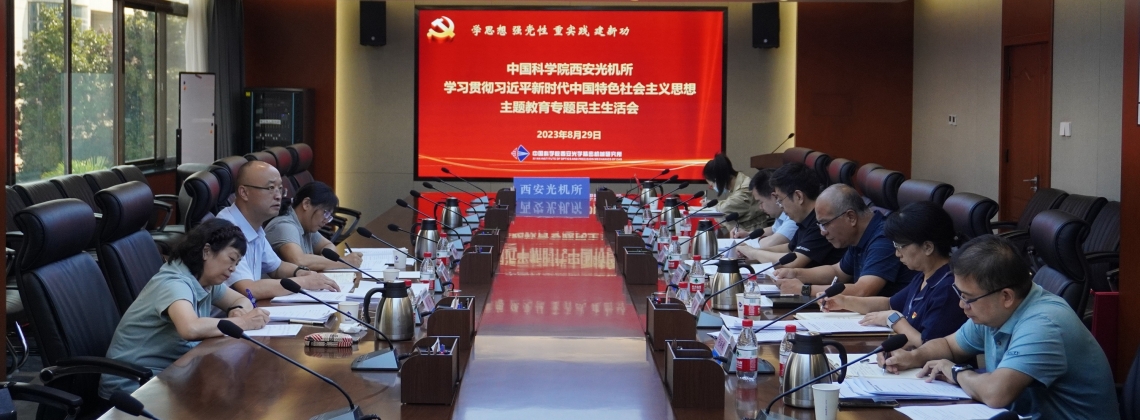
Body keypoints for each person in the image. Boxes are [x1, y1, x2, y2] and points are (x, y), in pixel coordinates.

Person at [882, 235, 1119, 419]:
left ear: (1006, 296)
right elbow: (949, 345)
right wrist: (912, 357)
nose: (962, 305)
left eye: (968, 298)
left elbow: (996, 393)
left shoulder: (1044, 324)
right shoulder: (994, 309)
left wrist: (956, 372)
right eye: (959, 294)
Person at [99, 219, 271, 397]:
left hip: (171, 373)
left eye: (237, 263)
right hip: (133, 384)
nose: (233, 269)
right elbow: (190, 328)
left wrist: (236, 309)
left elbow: (242, 300)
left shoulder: (205, 280)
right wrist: (243, 322)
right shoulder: (174, 283)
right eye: (231, 259)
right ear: (206, 251)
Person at [819, 201, 966, 348]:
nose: (897, 254)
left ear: (927, 247)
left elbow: (928, 347)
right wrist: (844, 301)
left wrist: (894, 319)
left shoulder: (947, 288)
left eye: (900, 246)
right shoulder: (923, 276)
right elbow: (889, 304)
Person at [217, 161, 340, 299]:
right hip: (230, 311)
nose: (278, 196)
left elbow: (277, 267)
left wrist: (304, 273)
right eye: (270, 188)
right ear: (244, 193)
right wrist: (306, 282)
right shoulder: (226, 230)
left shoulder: (254, 226)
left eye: (280, 189)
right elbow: (249, 289)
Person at [772, 183, 913, 297]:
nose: (822, 232)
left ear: (851, 217)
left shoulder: (884, 238)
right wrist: (795, 273)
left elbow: (863, 290)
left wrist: (805, 289)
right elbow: (838, 272)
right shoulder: (859, 234)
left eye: (825, 223)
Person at [738, 162, 844, 269]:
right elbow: (789, 248)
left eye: (780, 200)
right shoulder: (805, 218)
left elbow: (794, 262)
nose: (780, 206)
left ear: (799, 196)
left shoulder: (820, 222)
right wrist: (754, 252)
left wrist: (754, 253)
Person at [265, 181, 363, 271]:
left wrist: (319, 262)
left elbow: (328, 245)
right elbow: (298, 261)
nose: (326, 221)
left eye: (329, 216)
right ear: (306, 204)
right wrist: (344, 262)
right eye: (325, 213)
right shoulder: (285, 226)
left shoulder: (306, 226)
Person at [736, 168, 798, 255]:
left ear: (774, 196)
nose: (760, 207)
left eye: (761, 202)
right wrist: (748, 234)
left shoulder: (794, 215)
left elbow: (771, 244)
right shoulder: (781, 214)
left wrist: (755, 241)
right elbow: (774, 229)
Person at [702, 154, 767, 234]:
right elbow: (730, 204)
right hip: (743, 231)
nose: (711, 188)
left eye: (711, 185)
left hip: (752, 234)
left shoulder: (745, 189)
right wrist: (714, 204)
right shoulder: (739, 182)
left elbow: (724, 209)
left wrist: (714, 205)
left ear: (718, 179)